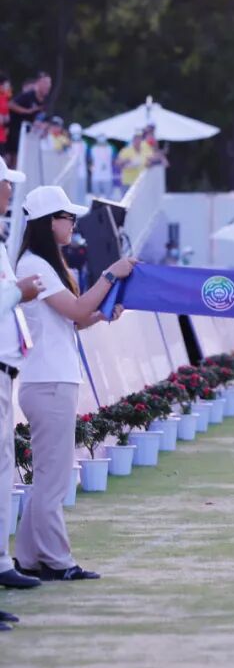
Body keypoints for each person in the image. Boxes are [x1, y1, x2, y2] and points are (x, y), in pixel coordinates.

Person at [13, 185, 136, 582]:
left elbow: (77, 319)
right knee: (53, 478)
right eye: (68, 218)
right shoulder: (34, 264)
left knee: (49, 477)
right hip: (49, 381)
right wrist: (109, 275)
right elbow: (78, 309)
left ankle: (30, 558)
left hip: (51, 379)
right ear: (49, 222)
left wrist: (103, 314)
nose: (72, 224)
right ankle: (57, 561)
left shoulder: (45, 264)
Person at [0, 159, 47, 615]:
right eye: (5, 184)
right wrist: (19, 291)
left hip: (5, 369)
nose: (9, 192)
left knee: (3, 470)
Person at [7, 73, 50, 162]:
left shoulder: (44, 101)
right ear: (38, 83)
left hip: (27, 134)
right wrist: (27, 111)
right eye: (45, 83)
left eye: (49, 83)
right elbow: (11, 104)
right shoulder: (28, 96)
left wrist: (43, 125)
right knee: (12, 158)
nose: (48, 86)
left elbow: (41, 117)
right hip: (15, 130)